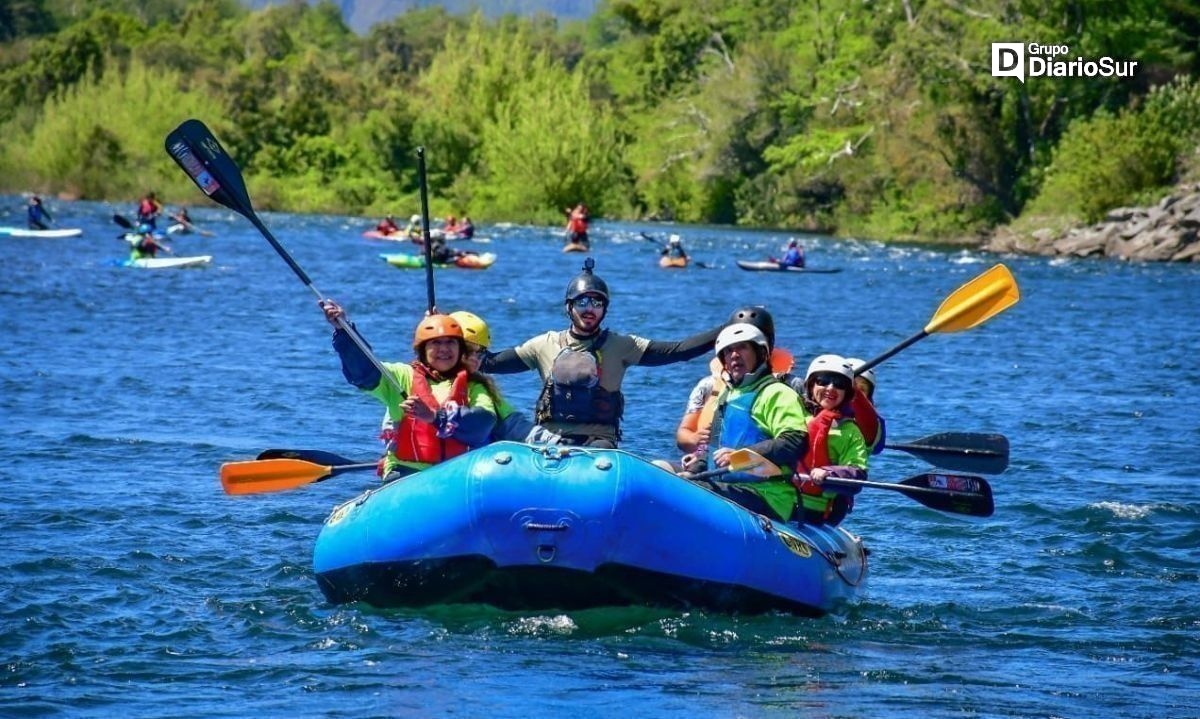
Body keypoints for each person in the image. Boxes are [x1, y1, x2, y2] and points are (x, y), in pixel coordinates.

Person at [481, 258, 721, 448]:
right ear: (569, 307)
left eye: (597, 303)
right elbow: (490, 363)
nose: (590, 309)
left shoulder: (622, 346)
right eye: (582, 302)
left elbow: (678, 352)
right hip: (550, 441)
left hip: (599, 443)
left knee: (602, 448)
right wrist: (447, 338)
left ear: (605, 310)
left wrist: (728, 328)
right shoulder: (544, 344)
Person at [319, 303, 498, 483]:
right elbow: (364, 371)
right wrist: (345, 331)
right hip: (405, 473)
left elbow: (482, 424)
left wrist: (436, 417)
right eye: (436, 342)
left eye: (451, 342)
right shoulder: (402, 376)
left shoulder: (474, 386)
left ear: (460, 350)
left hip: (452, 475)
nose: (444, 349)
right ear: (422, 349)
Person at [679, 323, 809, 523]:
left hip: (768, 496)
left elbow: (794, 441)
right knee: (677, 482)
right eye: (728, 351)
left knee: (689, 493)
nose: (734, 355)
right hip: (732, 488)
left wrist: (741, 457)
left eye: (742, 348)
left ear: (761, 354)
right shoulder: (726, 396)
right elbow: (711, 450)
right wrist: (695, 469)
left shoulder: (777, 393)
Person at [794, 354, 870, 525]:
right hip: (781, 498)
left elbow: (858, 473)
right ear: (811, 385)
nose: (830, 387)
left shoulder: (850, 431)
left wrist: (829, 473)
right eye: (823, 381)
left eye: (839, 384)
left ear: (847, 393)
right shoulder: (792, 414)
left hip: (818, 511)